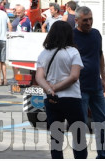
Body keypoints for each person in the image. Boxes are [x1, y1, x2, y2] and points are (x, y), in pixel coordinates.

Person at [35, 20, 87, 159]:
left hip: (51, 99)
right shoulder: (73, 52)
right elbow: (74, 76)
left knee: (56, 137)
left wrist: (49, 89)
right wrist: (56, 87)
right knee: (78, 135)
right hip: (71, 99)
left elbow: (39, 77)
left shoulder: (44, 54)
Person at [73, 6, 105, 159]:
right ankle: (81, 156)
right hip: (79, 88)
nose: (89, 23)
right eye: (85, 20)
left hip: (95, 87)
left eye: (90, 19)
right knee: (80, 125)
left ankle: (103, 155)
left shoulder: (96, 34)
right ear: (76, 21)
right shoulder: (71, 36)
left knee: (103, 123)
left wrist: (103, 77)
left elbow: (100, 55)